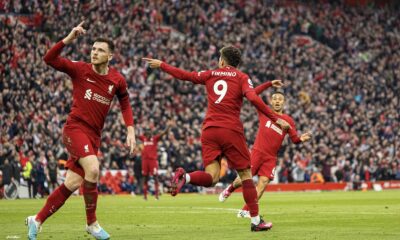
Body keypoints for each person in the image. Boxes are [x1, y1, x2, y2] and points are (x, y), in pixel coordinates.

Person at [143, 45, 291, 232]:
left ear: (222, 60)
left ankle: (185, 176)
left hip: (209, 130)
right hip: (230, 130)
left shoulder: (210, 74)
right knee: (246, 175)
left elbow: (185, 75)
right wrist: (275, 117)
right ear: (237, 63)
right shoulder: (242, 77)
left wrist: (163, 65)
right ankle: (255, 222)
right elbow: (252, 98)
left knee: (212, 177)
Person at [26, 21, 136, 240]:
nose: (94, 53)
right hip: (74, 129)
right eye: (93, 49)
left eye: (100, 50)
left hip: (94, 136)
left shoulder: (117, 80)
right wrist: (68, 38)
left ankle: (36, 220)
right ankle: (92, 224)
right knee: (93, 169)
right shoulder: (79, 69)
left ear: (110, 56)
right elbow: (49, 59)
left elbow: (125, 103)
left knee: (72, 183)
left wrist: (130, 130)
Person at [218, 83, 312, 218]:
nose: (277, 101)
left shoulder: (288, 121)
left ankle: (245, 210)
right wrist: (268, 84)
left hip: (271, 158)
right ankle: (230, 189)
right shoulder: (264, 111)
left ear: (284, 103)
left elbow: (294, 139)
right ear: (271, 101)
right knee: (244, 179)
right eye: (275, 99)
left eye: (280, 99)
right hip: (257, 152)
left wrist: (301, 139)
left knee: (262, 184)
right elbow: (252, 94)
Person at [138, 120, 173, 200]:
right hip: (145, 161)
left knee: (155, 177)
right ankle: (145, 196)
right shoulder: (143, 139)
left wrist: (168, 126)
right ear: (145, 135)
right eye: (147, 134)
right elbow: (135, 135)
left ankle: (156, 195)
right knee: (145, 177)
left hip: (152, 161)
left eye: (150, 134)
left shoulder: (154, 139)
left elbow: (163, 133)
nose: (149, 135)